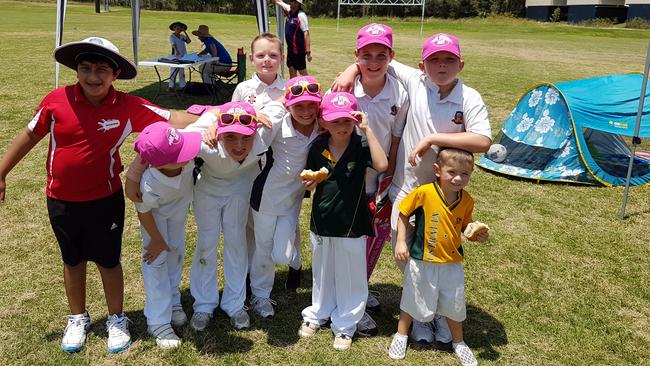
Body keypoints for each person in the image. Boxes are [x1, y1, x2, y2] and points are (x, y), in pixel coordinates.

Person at [0, 36, 197, 353]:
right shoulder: (55, 101)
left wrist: (225, 114)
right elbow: (29, 134)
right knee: (73, 260)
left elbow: (172, 117)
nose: (93, 77)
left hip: (105, 199)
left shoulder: (127, 106)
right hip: (61, 199)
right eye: (86, 68)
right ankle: (77, 317)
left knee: (108, 261)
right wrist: (2, 171)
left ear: (115, 74)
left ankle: (117, 319)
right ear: (76, 70)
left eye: (102, 70)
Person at [333, 32, 492, 346]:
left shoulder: (469, 97)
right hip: (406, 190)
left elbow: (483, 141)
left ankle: (434, 317)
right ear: (422, 64)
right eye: (434, 60)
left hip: (444, 196)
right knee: (408, 259)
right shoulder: (416, 80)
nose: (441, 66)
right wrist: (350, 70)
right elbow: (377, 62)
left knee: (439, 257)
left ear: (461, 63)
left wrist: (434, 139)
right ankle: (422, 318)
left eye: (449, 60)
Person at [299, 92, 388, 351]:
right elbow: (310, 182)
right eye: (335, 121)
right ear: (324, 121)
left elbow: (382, 164)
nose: (342, 126)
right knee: (323, 272)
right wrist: (310, 181)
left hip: (352, 223)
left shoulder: (360, 146)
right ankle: (317, 313)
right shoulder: (317, 147)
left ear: (355, 120)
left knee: (352, 276)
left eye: (347, 120)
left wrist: (367, 129)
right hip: (323, 220)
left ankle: (346, 324)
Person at [182, 101, 281, 331]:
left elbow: (281, 105)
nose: (239, 145)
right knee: (207, 244)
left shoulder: (263, 133)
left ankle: (235, 305)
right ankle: (203, 305)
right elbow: (174, 138)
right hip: (207, 192)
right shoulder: (206, 142)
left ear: (254, 130)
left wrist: (262, 113)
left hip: (240, 192)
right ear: (220, 133)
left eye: (245, 138)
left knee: (236, 244)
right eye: (231, 138)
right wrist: (209, 119)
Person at [388, 148, 488, 366]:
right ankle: (401, 335)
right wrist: (402, 241)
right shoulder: (425, 192)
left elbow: (464, 226)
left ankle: (458, 342)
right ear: (437, 170)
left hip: (451, 263)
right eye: (452, 172)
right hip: (422, 259)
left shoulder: (467, 200)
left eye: (465, 174)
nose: (458, 178)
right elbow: (403, 213)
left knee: (454, 303)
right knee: (412, 297)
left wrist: (475, 233)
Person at [348, 23, 409, 335]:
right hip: (349, 179)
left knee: (375, 239)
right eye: (366, 55)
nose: (373, 62)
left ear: (391, 57)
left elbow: (395, 141)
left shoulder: (400, 92)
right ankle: (352, 302)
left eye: (380, 56)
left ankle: (360, 287)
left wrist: (388, 179)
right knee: (352, 242)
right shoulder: (346, 89)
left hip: (381, 176)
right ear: (356, 56)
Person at [248, 76, 322, 318]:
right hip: (266, 198)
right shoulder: (278, 124)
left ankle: (296, 264)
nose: (306, 111)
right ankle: (261, 296)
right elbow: (256, 140)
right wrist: (263, 114)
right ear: (287, 105)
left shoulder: (321, 127)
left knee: (281, 254)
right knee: (263, 248)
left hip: (293, 200)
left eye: (311, 105)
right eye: (298, 106)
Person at [132, 122, 202, 349]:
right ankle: (157, 320)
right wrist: (157, 240)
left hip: (177, 216)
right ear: (161, 163)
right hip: (155, 222)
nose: (188, 152)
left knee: (177, 253)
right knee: (157, 261)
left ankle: (172, 300)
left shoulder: (184, 159)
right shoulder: (150, 184)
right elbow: (143, 212)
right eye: (181, 152)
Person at [275, 0, 311, 78]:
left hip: (298, 51)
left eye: (292, 1)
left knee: (303, 73)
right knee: (291, 69)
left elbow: (306, 33)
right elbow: (279, 2)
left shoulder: (301, 15)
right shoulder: (289, 9)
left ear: (297, 3)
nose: (290, 2)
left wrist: (308, 53)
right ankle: (293, 88)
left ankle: (312, 87)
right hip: (290, 50)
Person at [168, 21, 191, 91]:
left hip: (183, 56)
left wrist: (185, 32)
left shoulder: (182, 36)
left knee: (181, 71)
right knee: (173, 71)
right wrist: (177, 50)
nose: (178, 29)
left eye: (180, 28)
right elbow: (173, 44)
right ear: (174, 28)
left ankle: (182, 86)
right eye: (176, 28)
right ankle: (171, 86)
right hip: (175, 56)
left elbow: (189, 41)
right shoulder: (172, 36)